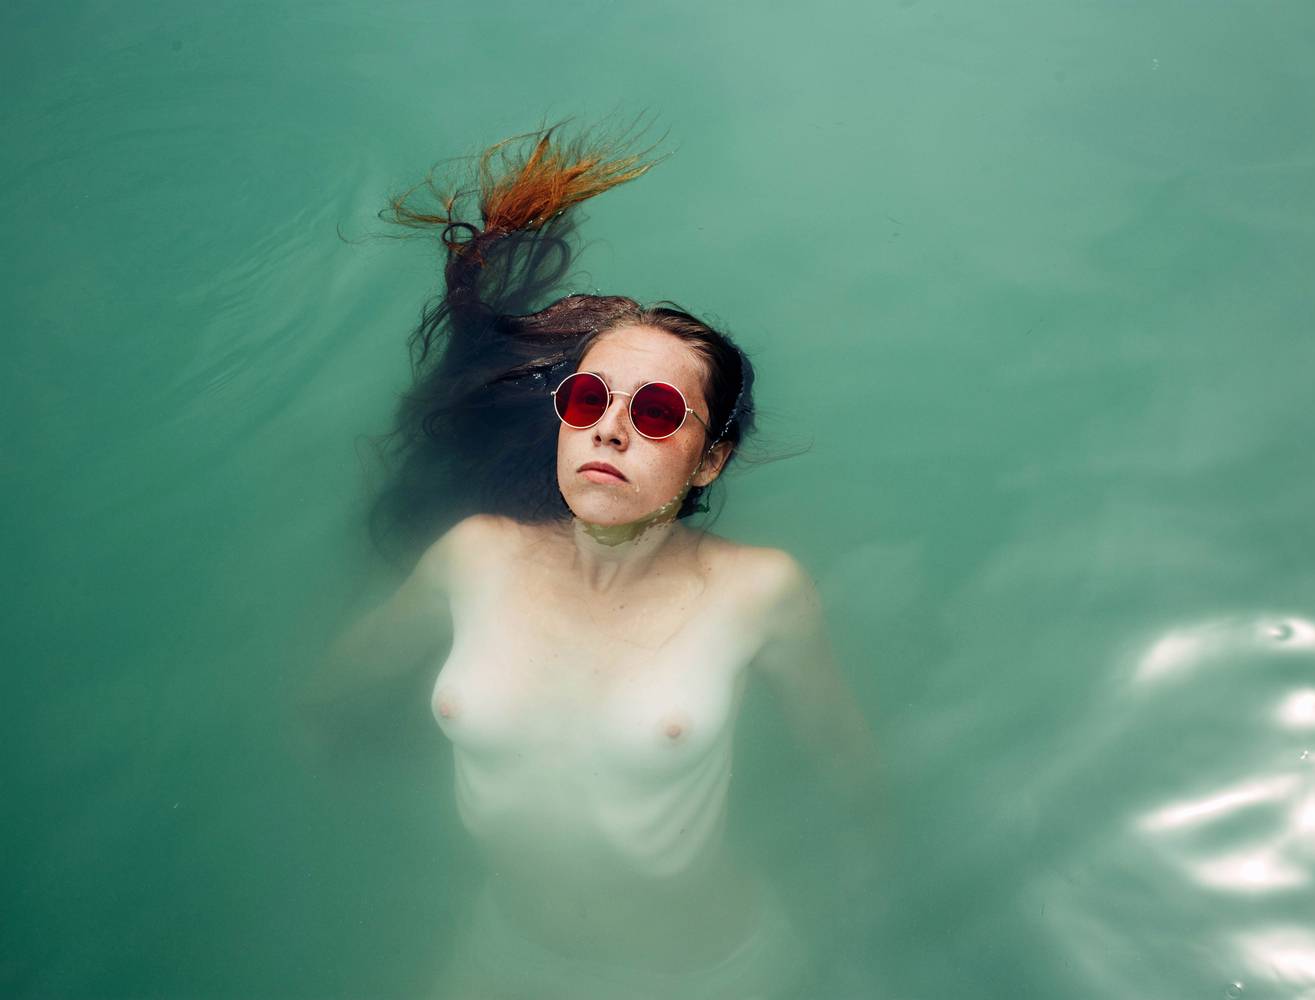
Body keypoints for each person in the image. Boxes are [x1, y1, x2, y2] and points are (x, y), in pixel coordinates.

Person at [300, 120, 887, 999]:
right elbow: (336, 697)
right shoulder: (475, 557)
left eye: (655, 412)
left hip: (704, 971)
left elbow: (848, 772)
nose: (610, 427)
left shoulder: (757, 589)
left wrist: (864, 914)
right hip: (507, 955)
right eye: (588, 398)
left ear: (710, 459)